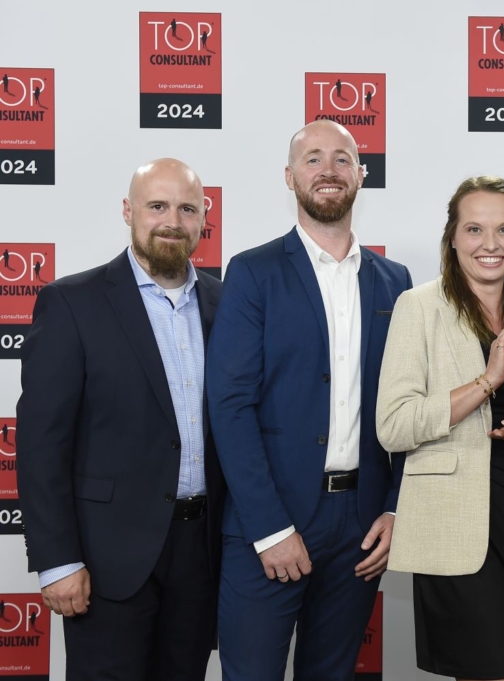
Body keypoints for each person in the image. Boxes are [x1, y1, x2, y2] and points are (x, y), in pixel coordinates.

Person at [206, 120, 411, 681]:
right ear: (290, 176)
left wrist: (395, 508)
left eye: (343, 159)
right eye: (313, 159)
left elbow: (408, 407)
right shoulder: (253, 272)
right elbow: (229, 405)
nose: (328, 170)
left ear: (362, 176)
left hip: (362, 525)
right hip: (270, 521)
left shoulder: (396, 283)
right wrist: (270, 528)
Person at [16, 158, 223, 680]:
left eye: (186, 208)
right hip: (106, 558)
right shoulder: (71, 302)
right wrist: (59, 560)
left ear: (204, 219)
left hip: (203, 553)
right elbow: (42, 444)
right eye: (157, 206)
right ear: (128, 211)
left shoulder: (227, 304)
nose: (171, 219)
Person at [377, 176, 504, 681]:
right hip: (451, 527)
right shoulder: (419, 306)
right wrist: (487, 380)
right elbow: (393, 426)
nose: (490, 244)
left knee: (503, 671)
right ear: (452, 238)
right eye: (474, 228)